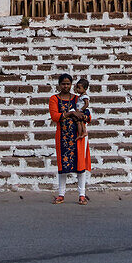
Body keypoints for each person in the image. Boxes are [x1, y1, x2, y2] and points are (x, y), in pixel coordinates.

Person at [48, 74, 91, 204]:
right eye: (63, 84)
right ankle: (61, 194)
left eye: (68, 84)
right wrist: (72, 113)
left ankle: (82, 194)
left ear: (71, 85)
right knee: (63, 167)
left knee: (80, 166)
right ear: (59, 84)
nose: (65, 86)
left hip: (78, 136)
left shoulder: (78, 98)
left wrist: (82, 117)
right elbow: (55, 116)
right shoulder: (54, 99)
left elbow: (88, 115)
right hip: (63, 136)